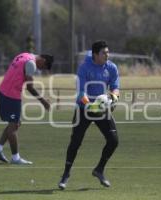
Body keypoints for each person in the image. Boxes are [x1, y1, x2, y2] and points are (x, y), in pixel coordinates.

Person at [58, 40, 119, 190]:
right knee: (75, 142)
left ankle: (99, 170)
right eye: (104, 53)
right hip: (83, 109)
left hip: (101, 109)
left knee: (113, 140)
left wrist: (112, 98)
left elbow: (115, 88)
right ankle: (65, 174)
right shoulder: (84, 68)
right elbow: (81, 93)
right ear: (95, 54)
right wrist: (91, 105)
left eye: (107, 52)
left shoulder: (111, 67)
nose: (107, 55)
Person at [0, 53, 53, 164]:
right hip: (11, 94)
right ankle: (16, 158)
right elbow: (30, 87)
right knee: (13, 126)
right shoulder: (31, 64)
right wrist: (43, 101)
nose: (40, 69)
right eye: (43, 67)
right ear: (43, 60)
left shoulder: (25, 55)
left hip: (5, 91)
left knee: (16, 123)